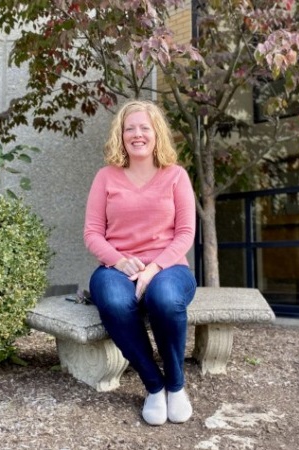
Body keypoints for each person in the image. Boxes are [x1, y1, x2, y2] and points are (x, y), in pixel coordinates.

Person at [83, 100, 197, 426]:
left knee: (165, 299)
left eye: (144, 128)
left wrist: (155, 268)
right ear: (121, 135)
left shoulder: (176, 176)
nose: (137, 134)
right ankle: (154, 384)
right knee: (115, 302)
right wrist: (119, 262)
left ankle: (176, 385)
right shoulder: (106, 177)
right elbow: (92, 234)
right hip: (117, 268)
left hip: (169, 266)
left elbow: (185, 232)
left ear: (156, 133)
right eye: (129, 128)